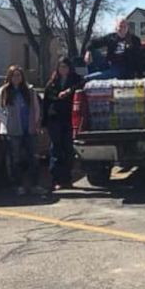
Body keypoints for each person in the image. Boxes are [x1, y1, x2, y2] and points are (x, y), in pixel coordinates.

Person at [0, 65, 45, 196]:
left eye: (19, 75)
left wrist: (36, 122)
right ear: (9, 77)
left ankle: (35, 185)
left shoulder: (29, 91)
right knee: (15, 159)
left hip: (29, 129)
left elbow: (37, 108)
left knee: (33, 157)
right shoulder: (3, 91)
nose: (17, 78)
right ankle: (18, 185)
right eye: (14, 75)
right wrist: (8, 122)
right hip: (12, 131)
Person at [42, 57, 83, 190]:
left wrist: (69, 91)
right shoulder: (52, 83)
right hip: (55, 120)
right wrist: (43, 122)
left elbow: (82, 84)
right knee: (56, 150)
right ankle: (56, 180)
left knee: (68, 150)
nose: (63, 69)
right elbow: (46, 103)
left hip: (69, 119)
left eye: (65, 66)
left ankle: (67, 179)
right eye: (60, 67)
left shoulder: (76, 80)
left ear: (70, 67)